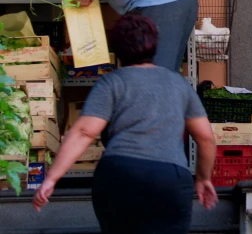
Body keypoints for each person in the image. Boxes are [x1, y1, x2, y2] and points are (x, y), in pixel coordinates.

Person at [33, 14, 218, 233]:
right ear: (154, 45)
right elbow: (205, 138)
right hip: (170, 180)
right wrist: (203, 178)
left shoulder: (112, 82)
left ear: (117, 49)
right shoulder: (178, 83)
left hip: (119, 175)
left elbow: (84, 132)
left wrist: (51, 178)